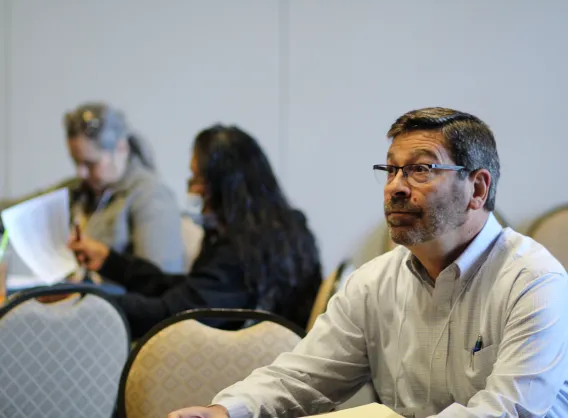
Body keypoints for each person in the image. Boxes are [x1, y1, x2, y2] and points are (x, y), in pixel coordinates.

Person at [168, 108, 568, 418]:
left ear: (477, 188)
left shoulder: (533, 282)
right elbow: (304, 376)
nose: (395, 187)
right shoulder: (374, 281)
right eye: (391, 169)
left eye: (420, 170)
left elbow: (507, 410)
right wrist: (225, 410)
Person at [68, 124, 322, 339]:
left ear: (223, 187)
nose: (194, 191)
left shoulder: (240, 249)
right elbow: (190, 291)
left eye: (197, 179)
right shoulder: (280, 228)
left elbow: (171, 316)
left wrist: (86, 301)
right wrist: (110, 262)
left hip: (246, 372)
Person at [0, 102, 186, 274]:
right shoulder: (78, 190)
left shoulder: (151, 196)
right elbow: (14, 210)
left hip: (119, 305)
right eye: (76, 162)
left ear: (121, 149)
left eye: (90, 164)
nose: (81, 173)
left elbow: (159, 281)